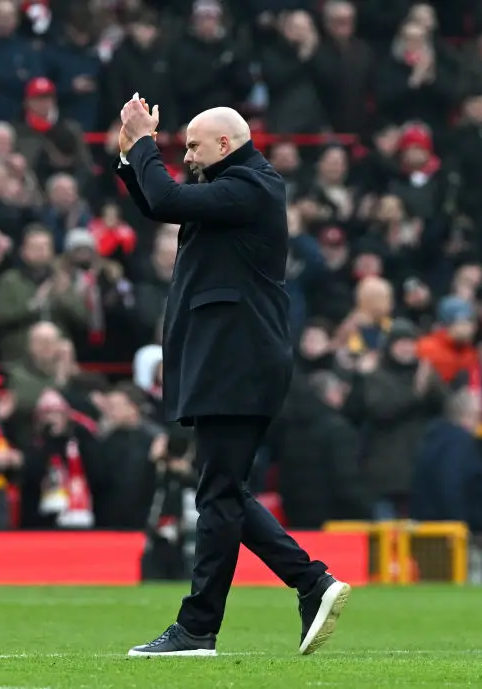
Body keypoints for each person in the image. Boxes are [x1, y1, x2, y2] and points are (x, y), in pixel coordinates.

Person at [114, 95, 349, 657]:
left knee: (218, 494)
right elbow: (158, 202)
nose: (187, 156)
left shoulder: (251, 185)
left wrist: (146, 142)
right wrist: (130, 159)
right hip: (230, 357)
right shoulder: (239, 187)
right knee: (222, 491)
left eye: (193, 146)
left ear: (226, 144)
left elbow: (168, 198)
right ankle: (310, 583)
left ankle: (199, 627)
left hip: (237, 358)